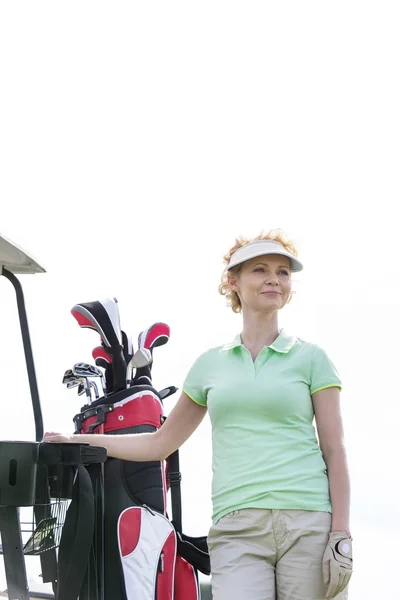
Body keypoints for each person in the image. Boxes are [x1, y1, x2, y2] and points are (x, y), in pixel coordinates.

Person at [45, 229, 353, 600]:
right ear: (233, 282)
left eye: (283, 272)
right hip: (237, 528)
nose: (274, 278)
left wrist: (341, 534)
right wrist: (79, 440)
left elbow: (334, 450)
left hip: (308, 522)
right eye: (260, 269)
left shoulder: (312, 358)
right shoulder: (210, 365)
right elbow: (161, 442)